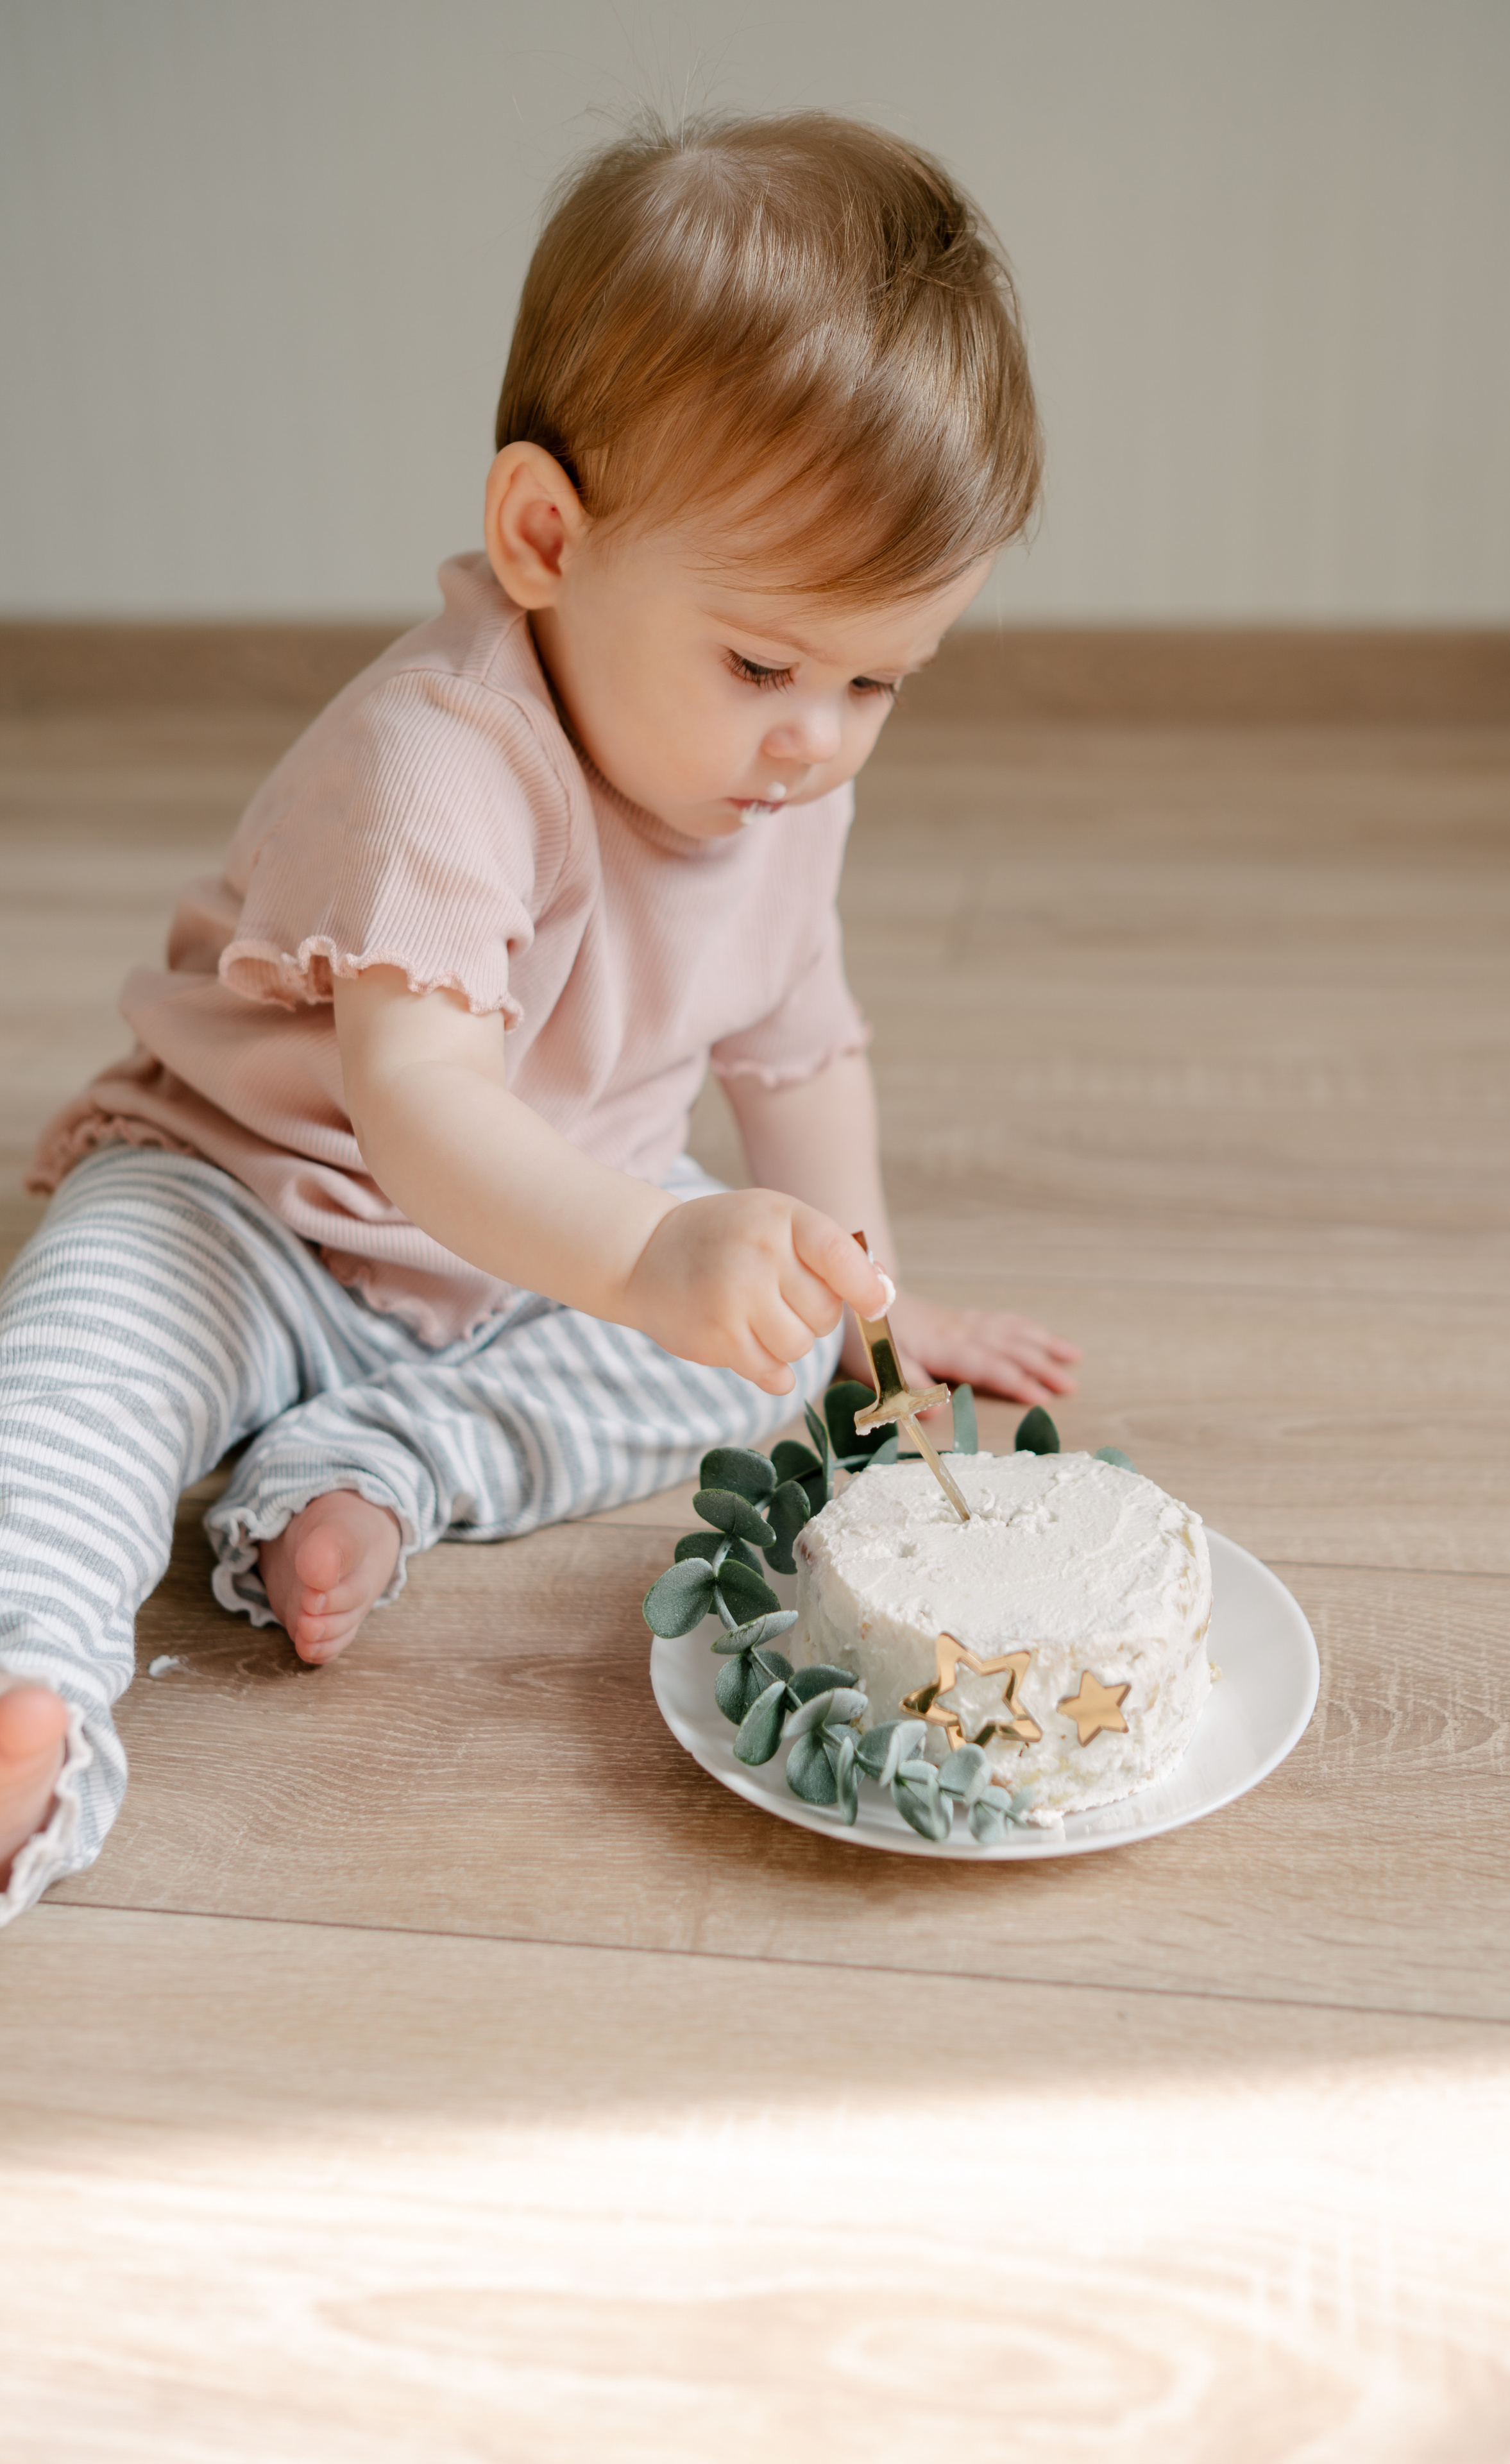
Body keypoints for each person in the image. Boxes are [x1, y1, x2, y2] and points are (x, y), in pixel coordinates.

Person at [0, 111, 1078, 1921]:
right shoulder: (438, 766)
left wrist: (869, 1304)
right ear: (543, 538)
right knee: (81, 1368)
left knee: (764, 1349)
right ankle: (28, 1680)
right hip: (261, 1203)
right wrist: (658, 1247)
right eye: (760, 663)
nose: (815, 738)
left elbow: (800, 1050)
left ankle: (376, 1470)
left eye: (880, 678)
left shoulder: (786, 798)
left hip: (552, 1244)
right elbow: (422, 1112)